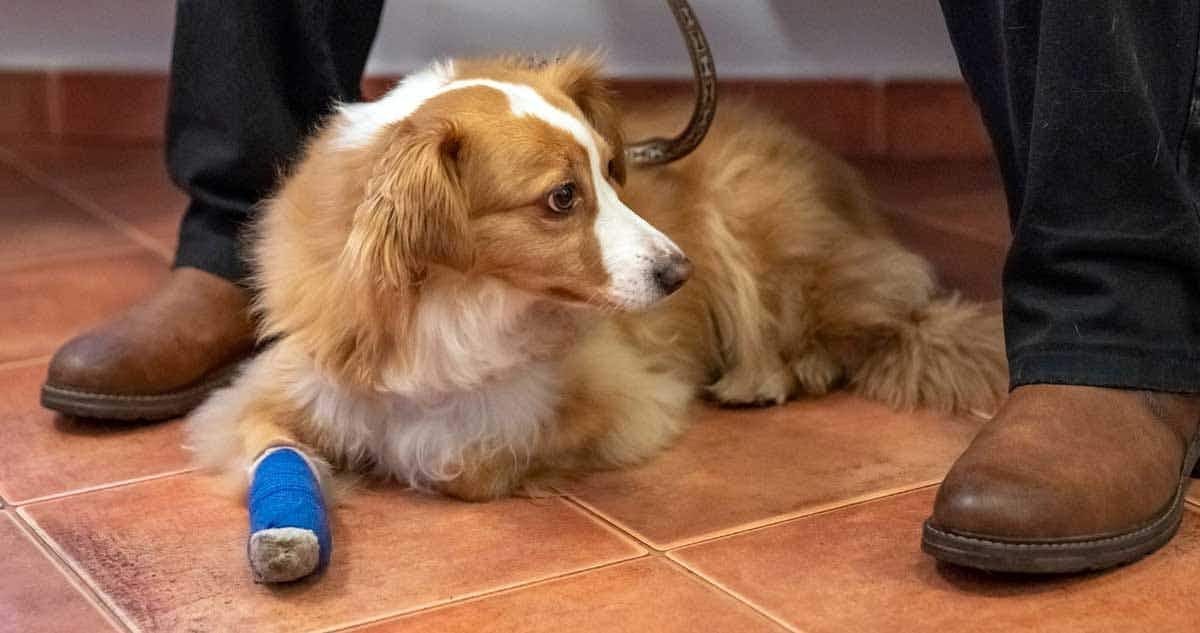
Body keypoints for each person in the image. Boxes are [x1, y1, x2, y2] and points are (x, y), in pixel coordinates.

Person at [41, 1, 1200, 573]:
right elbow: (258, 423)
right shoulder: (412, 200)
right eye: (564, 200)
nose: (645, 241)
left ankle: (1117, 314)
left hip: (777, 236)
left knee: (754, 243)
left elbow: (639, 401)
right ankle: (222, 245)